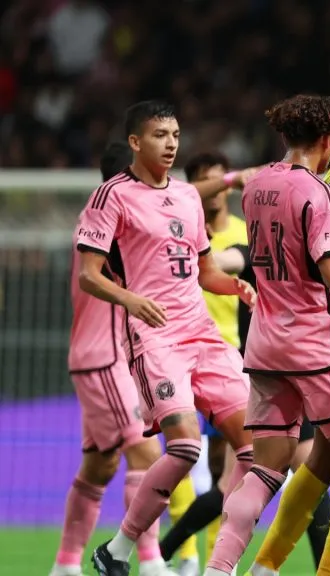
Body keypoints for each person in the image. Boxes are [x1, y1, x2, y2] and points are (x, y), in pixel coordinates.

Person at [203, 94, 330, 576]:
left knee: (264, 469)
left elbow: (288, 238)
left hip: (264, 344)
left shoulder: (254, 187)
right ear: (328, 141)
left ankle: (219, 568)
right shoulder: (318, 190)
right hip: (313, 344)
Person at [78, 100, 256, 576]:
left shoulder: (187, 197)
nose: (171, 142)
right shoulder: (112, 196)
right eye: (160, 134)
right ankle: (118, 548)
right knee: (185, 447)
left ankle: (221, 565)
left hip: (203, 333)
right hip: (156, 337)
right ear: (135, 142)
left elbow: (205, 271)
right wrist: (131, 300)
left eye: (176, 133)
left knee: (258, 449)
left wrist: (235, 285)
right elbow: (88, 276)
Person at [159, 152, 330, 574]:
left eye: (223, 182)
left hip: (240, 367)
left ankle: (180, 557)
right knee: (230, 476)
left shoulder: (249, 236)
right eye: (208, 181)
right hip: (200, 363)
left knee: (250, 476)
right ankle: (177, 556)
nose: (218, 191)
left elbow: (239, 262)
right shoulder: (185, 235)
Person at [50, 141, 170, 576]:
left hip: (102, 356)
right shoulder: (112, 223)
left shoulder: (103, 220)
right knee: (148, 456)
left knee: (99, 466)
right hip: (105, 358)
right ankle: (151, 563)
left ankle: (65, 565)